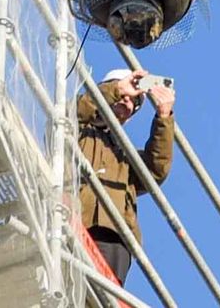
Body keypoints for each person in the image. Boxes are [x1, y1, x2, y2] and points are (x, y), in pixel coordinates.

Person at [77, 68, 175, 283]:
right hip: (72, 219)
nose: (127, 102)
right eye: (123, 96)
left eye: (134, 102)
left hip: (113, 234)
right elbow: (76, 112)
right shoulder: (75, 129)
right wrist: (116, 89)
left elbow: (156, 169)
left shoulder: (124, 156)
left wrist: (163, 116)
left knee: (100, 297)